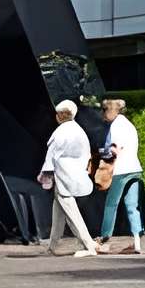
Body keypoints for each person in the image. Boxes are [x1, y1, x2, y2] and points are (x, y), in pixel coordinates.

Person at [39, 99, 95, 254]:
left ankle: (88, 245)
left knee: (71, 213)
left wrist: (45, 175)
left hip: (63, 177)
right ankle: (52, 247)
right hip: (76, 175)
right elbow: (86, 154)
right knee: (58, 211)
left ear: (60, 116)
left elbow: (51, 157)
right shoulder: (79, 130)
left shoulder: (59, 132)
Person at [94, 96, 145, 255]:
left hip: (120, 170)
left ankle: (104, 238)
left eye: (104, 110)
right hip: (135, 168)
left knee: (111, 204)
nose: (102, 114)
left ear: (111, 111)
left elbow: (114, 149)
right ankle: (137, 240)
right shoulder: (129, 125)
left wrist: (100, 152)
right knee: (132, 206)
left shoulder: (116, 126)